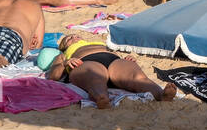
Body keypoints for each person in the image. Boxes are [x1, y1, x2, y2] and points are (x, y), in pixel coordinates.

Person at [46, 33, 176, 107]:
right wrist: (65, 63)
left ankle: (162, 95)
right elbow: (53, 76)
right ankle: (101, 98)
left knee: (137, 78)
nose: (74, 37)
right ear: (64, 47)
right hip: (85, 61)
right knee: (95, 79)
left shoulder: (97, 43)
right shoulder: (63, 54)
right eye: (69, 38)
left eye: (76, 35)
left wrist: (125, 58)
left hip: (113, 60)